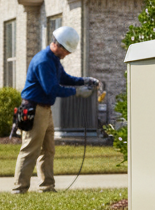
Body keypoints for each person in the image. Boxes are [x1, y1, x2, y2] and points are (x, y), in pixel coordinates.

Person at [12, 26, 98, 194]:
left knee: (48, 150)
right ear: (58, 45)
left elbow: (64, 78)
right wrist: (77, 92)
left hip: (44, 110)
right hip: (34, 109)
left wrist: (83, 81)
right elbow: (51, 89)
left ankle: (47, 187)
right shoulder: (44, 61)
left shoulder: (53, 60)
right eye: (67, 51)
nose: (68, 54)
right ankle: (19, 189)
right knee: (30, 150)